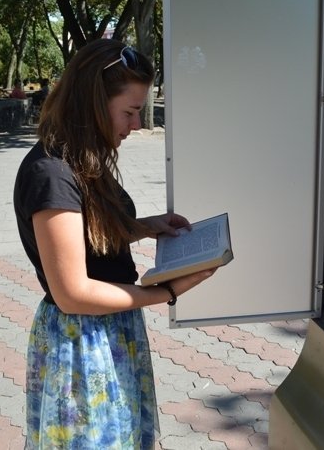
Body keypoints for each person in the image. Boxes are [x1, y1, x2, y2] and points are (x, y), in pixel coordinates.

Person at [13, 38, 215, 448]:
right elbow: (73, 293)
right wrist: (166, 292)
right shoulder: (52, 174)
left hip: (108, 331)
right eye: (130, 111)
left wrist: (143, 227)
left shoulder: (80, 158)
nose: (136, 125)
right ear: (93, 104)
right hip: (82, 342)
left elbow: (87, 236)